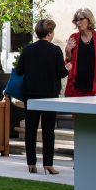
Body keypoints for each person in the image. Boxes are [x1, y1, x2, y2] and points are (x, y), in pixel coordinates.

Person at [16, 19, 68, 175]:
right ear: (50, 33)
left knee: (31, 130)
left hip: (30, 95)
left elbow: (19, 71)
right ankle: (48, 164)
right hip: (49, 96)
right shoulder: (55, 50)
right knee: (48, 130)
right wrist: (68, 67)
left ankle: (31, 163)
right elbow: (62, 73)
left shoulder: (28, 50)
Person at [64, 8, 96, 97]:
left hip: (94, 85)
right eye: (76, 20)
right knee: (76, 110)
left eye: (81, 19)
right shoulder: (73, 37)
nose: (78, 23)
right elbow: (69, 63)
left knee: (93, 111)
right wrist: (67, 51)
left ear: (89, 20)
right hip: (76, 86)